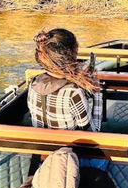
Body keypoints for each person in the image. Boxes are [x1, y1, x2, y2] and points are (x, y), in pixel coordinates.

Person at [27, 28, 107, 170]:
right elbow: (92, 134)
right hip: (70, 158)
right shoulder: (73, 92)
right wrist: (97, 93)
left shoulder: (33, 83)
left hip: (43, 154)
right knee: (105, 160)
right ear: (72, 55)